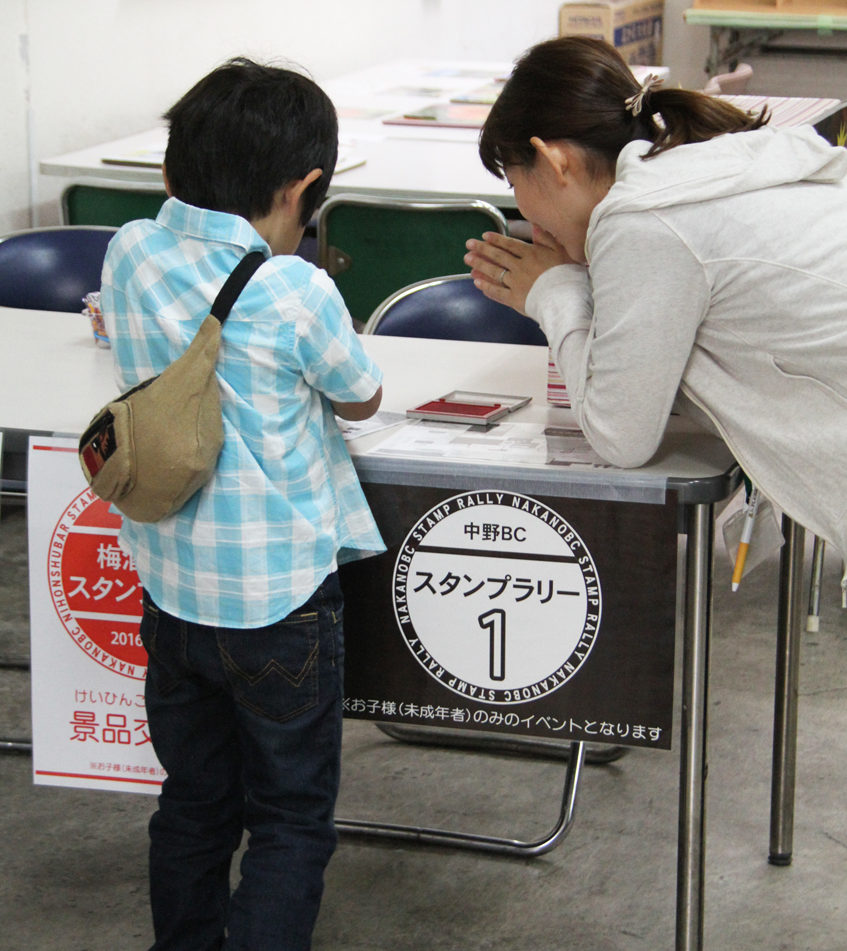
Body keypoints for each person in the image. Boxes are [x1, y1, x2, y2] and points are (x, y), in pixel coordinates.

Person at [100, 58, 385, 951]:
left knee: (193, 798)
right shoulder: (295, 288)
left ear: (169, 173)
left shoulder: (130, 250)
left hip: (172, 589)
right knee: (291, 816)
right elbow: (361, 394)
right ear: (306, 187)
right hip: (279, 603)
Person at [465, 36, 847, 574]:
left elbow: (621, 435)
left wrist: (554, 292)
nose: (521, 210)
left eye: (513, 180)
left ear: (555, 161)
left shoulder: (642, 221)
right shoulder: (693, 167)